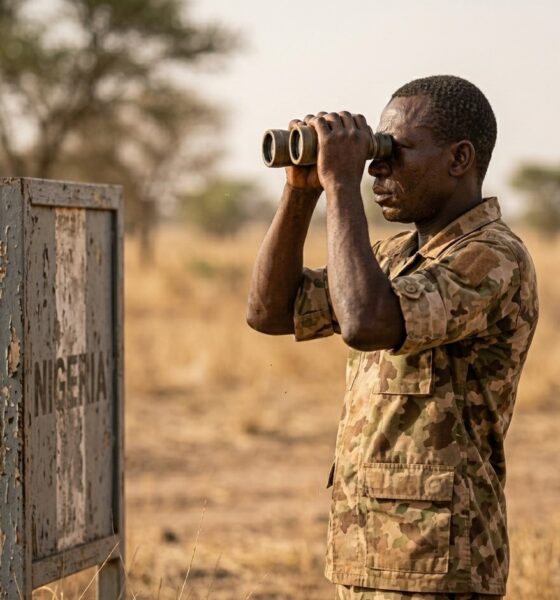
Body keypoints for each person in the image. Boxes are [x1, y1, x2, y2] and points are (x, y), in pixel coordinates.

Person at [246, 75, 538, 600]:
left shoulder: (492, 255)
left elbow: (365, 323)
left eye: (394, 150)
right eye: (373, 150)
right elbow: (271, 311)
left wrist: (340, 185)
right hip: (369, 546)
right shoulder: (392, 255)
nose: (376, 166)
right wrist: (300, 189)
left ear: (459, 158)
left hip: (440, 559)